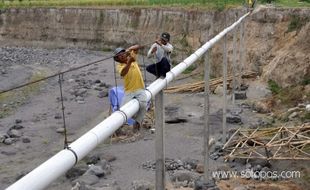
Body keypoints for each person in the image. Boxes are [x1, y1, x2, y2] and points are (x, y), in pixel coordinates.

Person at [113, 45, 147, 132]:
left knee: (143, 105)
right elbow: (124, 73)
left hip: (140, 88)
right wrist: (129, 62)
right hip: (129, 91)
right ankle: (117, 128)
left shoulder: (131, 56)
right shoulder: (119, 66)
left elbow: (138, 47)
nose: (123, 56)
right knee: (123, 110)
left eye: (123, 54)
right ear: (117, 59)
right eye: (120, 55)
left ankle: (138, 123)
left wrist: (128, 50)